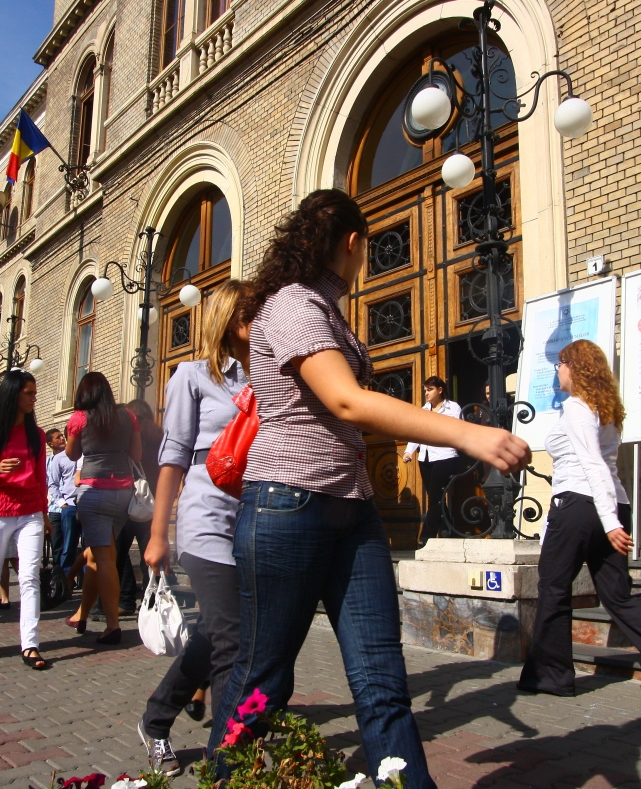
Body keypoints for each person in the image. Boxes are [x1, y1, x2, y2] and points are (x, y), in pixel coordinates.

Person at [203, 190, 530, 787]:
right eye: (366, 248)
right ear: (351, 242)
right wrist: (469, 435)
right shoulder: (293, 304)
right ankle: (221, 771)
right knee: (262, 679)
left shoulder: (321, 309)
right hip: (287, 505)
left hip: (351, 509)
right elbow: (347, 400)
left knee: (382, 677)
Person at [139, 280, 250, 776]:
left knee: (214, 630)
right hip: (205, 514)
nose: (258, 322)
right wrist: (159, 534)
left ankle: (157, 717)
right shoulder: (191, 376)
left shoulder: (267, 376)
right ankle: (227, 764)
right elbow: (174, 456)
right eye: (249, 314)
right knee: (232, 637)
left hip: (254, 518)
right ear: (226, 319)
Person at [517, 339, 641, 697]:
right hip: (611, 503)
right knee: (617, 595)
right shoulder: (607, 408)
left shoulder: (579, 408)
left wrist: (610, 522)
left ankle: (551, 676)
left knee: (553, 587)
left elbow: (592, 463)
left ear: (575, 367)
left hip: (580, 506)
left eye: (561, 364)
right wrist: (613, 517)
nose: (557, 370)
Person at [0, 370, 53, 670]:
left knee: (29, 576)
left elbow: (42, 478)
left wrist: (44, 513)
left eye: (34, 392)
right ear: (13, 395)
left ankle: (30, 644)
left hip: (29, 512)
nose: (34, 397)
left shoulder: (37, 435)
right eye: (28, 393)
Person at [64, 371, 142, 644]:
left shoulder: (79, 419)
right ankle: (82, 614)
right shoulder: (128, 416)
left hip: (94, 490)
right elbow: (137, 454)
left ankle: (112, 625)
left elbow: (72, 454)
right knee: (97, 555)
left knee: (104, 556)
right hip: (123, 491)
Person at [403, 376, 466, 545]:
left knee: (435, 496)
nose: (426, 393)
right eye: (425, 390)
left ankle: (426, 536)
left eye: (429, 390)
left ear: (440, 390)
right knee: (435, 496)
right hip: (426, 457)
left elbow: (461, 430)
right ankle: (448, 531)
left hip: (445, 456)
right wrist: (409, 451)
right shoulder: (423, 410)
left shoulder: (452, 408)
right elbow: (417, 432)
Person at [117, 399, 161, 615]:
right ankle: (151, 601)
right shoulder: (159, 436)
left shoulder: (129, 437)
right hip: (152, 502)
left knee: (118, 552)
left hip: (129, 501)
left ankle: (125, 599)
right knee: (148, 556)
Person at [46, 428, 78, 573]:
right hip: (62, 507)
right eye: (57, 437)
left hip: (81, 505)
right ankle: (62, 579)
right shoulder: (55, 460)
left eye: (61, 436)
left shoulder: (82, 454)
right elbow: (51, 483)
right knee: (62, 546)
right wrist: (61, 503)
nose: (62, 439)